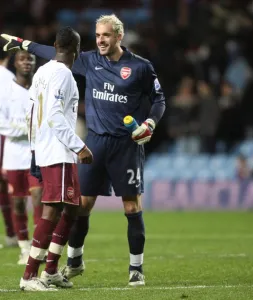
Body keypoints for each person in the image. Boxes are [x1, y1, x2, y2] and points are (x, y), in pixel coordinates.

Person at [1, 13, 166, 286]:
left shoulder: (140, 67)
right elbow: (55, 51)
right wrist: (23, 43)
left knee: (131, 206)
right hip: (95, 143)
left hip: (126, 144)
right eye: (98, 35)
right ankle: (73, 261)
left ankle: (135, 268)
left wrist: (150, 122)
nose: (100, 40)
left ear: (119, 36)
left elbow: (159, 99)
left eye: (106, 35)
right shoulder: (88, 61)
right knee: (80, 206)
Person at [19, 26, 93, 291]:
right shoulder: (63, 75)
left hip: (47, 148)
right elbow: (53, 115)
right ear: (77, 50)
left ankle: (50, 271)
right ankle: (29, 276)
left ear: (54, 45)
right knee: (52, 209)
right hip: (59, 150)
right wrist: (79, 146)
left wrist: (34, 148)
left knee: (72, 207)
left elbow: (31, 111)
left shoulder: (42, 71)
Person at [0, 50, 43, 264]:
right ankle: (24, 248)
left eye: (30, 59)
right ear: (15, 64)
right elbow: (1, 122)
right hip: (14, 155)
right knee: (17, 203)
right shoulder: (5, 90)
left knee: (38, 198)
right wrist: (25, 130)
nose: (27, 62)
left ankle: (37, 247)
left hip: (37, 154)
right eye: (22, 59)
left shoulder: (40, 88)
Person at [0, 50, 17, 248]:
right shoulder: (10, 78)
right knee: (9, 184)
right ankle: (13, 233)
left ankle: (13, 233)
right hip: (6, 134)